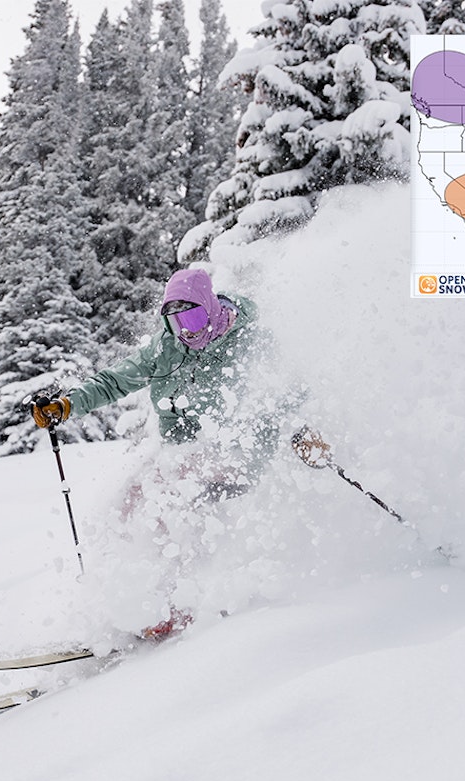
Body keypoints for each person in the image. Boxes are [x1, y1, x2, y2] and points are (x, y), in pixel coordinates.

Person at [30, 266, 289, 639]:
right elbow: (115, 381)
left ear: (211, 308)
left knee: (175, 496)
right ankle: (120, 601)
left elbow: (286, 385)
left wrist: (302, 431)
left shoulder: (247, 339)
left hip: (239, 450)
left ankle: (185, 602)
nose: (188, 330)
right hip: (184, 451)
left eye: (195, 316)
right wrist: (69, 405)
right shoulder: (166, 349)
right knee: (129, 501)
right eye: (176, 320)